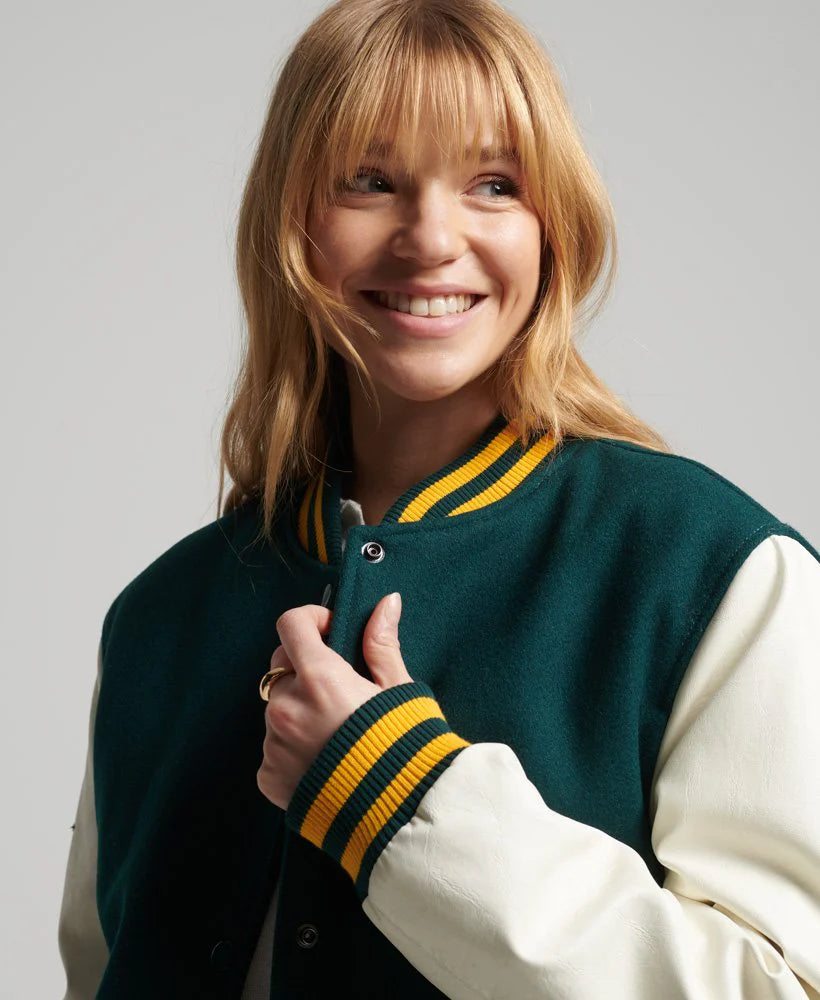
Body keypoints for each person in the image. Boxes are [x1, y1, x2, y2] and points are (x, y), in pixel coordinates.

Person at [57, 0, 820, 997]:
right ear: (290, 220)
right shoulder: (157, 618)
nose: (430, 238)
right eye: (369, 182)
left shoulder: (714, 572)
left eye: (494, 184)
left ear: (554, 226)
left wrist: (395, 795)